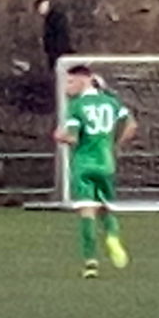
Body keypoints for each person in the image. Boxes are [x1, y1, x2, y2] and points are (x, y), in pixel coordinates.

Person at [54, 65, 137, 277]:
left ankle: (90, 263)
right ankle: (112, 236)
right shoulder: (111, 102)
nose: (67, 87)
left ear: (85, 80)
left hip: (84, 164)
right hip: (106, 163)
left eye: (71, 82)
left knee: (87, 212)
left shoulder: (77, 106)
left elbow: (72, 138)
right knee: (105, 208)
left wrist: (59, 136)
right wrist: (116, 145)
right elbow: (132, 126)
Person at [36, 0, 74, 73]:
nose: (40, 10)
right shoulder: (50, 19)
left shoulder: (55, 19)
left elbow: (59, 37)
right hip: (56, 52)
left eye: (41, 7)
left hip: (58, 52)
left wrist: (54, 51)